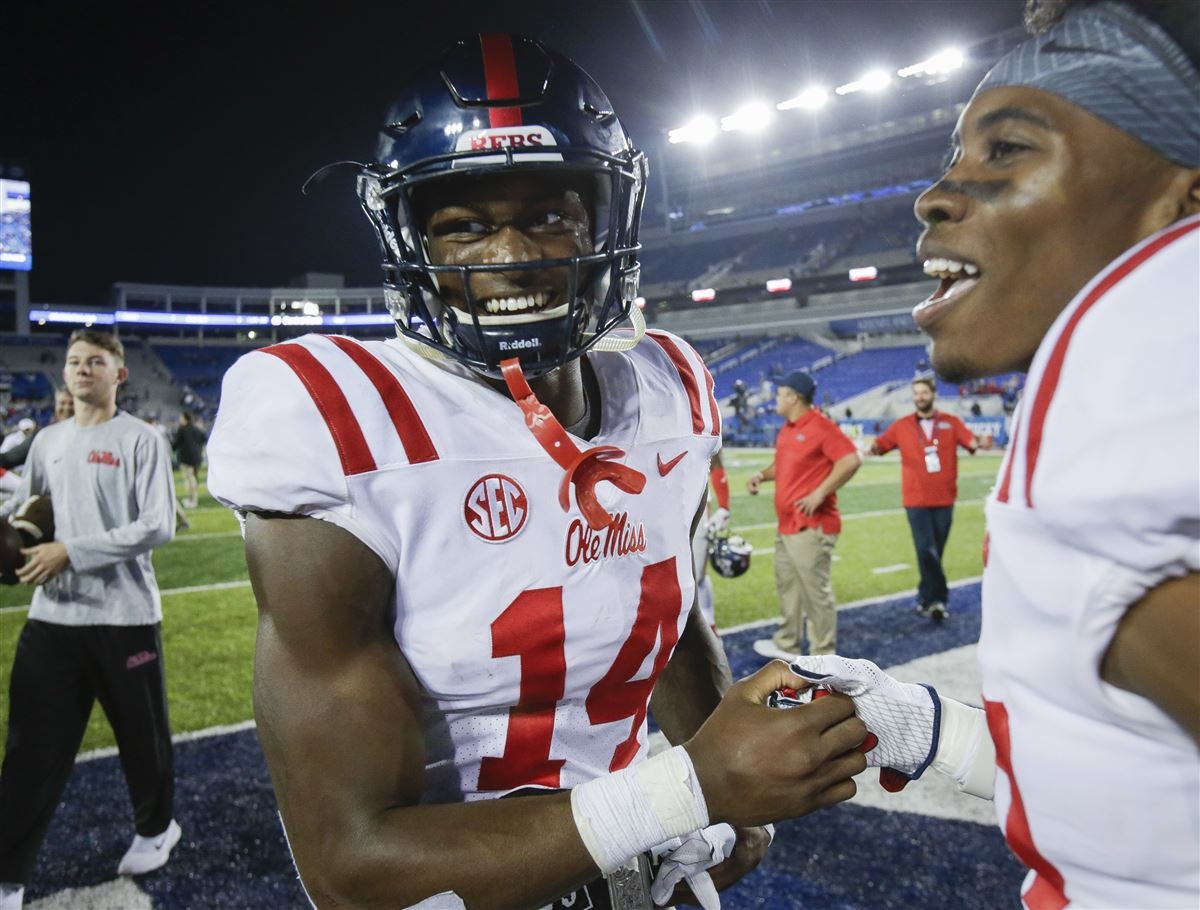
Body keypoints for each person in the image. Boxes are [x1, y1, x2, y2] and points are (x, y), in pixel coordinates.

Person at [206, 34, 868, 910]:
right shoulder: (335, 417)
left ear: (607, 218)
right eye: (466, 224)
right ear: (409, 236)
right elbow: (351, 864)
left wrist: (727, 777)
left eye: (549, 215)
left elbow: (663, 612)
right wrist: (686, 791)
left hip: (646, 875)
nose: (511, 255)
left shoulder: (669, 387)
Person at [785, 2, 1200, 907]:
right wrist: (931, 731)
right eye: (955, 157)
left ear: (1187, 201)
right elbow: (1138, 794)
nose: (936, 194)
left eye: (1007, 150)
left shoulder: (1130, 415)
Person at [0, 331, 180, 910]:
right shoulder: (47, 441)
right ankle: (7, 873)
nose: (82, 370)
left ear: (118, 374)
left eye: (95, 362)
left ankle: (157, 830)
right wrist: (17, 538)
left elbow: (159, 525)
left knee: (141, 740)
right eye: (75, 362)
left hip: (124, 618)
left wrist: (70, 551)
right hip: (52, 618)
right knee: (30, 750)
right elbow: (27, 511)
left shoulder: (141, 438)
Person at [746, 371, 860, 661]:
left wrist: (820, 492)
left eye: (779, 394)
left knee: (814, 593)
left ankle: (824, 654)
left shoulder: (821, 426)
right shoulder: (788, 428)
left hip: (813, 526)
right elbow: (782, 465)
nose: (776, 399)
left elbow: (850, 460)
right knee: (789, 587)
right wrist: (762, 475)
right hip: (788, 525)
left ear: (793, 397)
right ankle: (788, 644)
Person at [868, 376, 976, 621]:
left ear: (933, 394)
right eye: (916, 393)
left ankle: (925, 596)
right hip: (915, 498)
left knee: (936, 550)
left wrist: (979, 442)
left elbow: (972, 443)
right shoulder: (902, 425)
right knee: (925, 549)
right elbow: (881, 445)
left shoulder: (951, 422)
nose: (920, 397)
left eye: (924, 392)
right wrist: (872, 446)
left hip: (945, 497)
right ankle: (938, 599)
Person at [172, 411, 206, 509]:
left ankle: (192, 500)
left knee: (189, 479)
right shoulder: (196, 428)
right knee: (193, 478)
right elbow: (203, 438)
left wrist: (171, 449)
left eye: (181, 417)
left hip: (186, 459)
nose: (180, 419)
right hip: (196, 458)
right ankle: (193, 498)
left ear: (185, 418)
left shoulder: (182, 429)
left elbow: (176, 443)